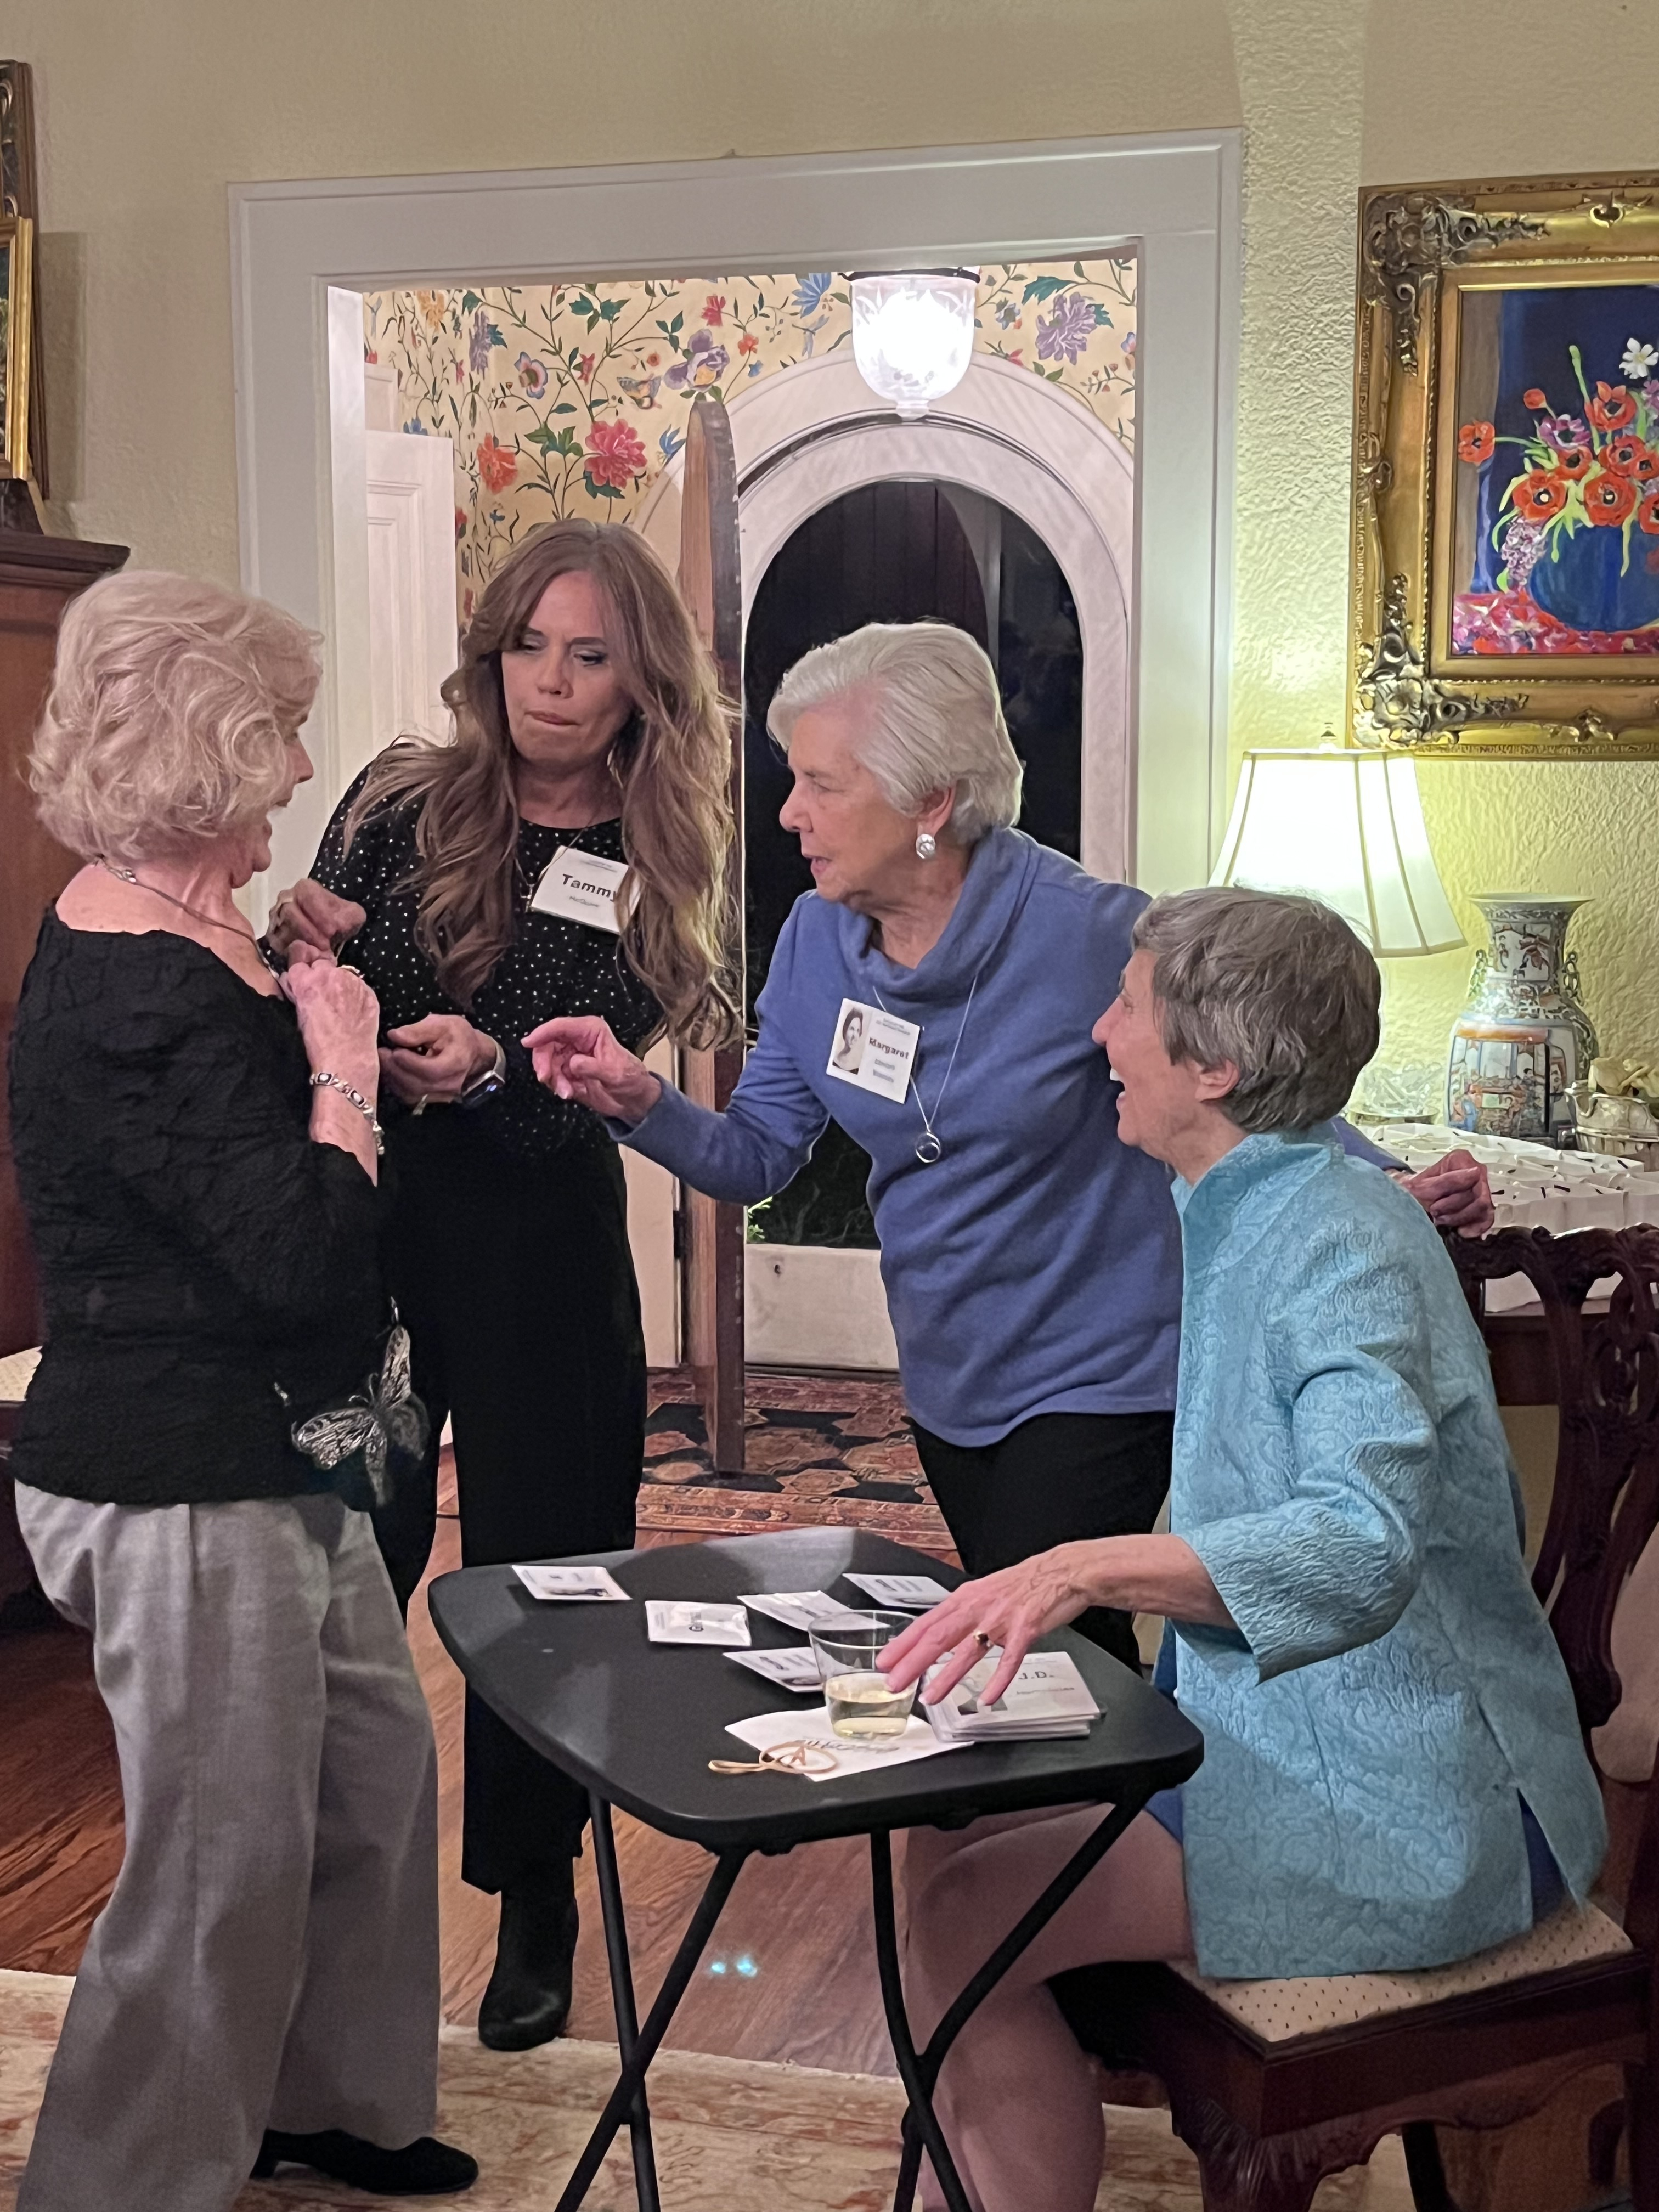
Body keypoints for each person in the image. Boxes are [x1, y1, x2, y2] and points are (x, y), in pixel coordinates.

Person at [525, 622, 1493, 1674]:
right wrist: (638, 1098)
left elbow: (1249, 1080)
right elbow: (757, 1155)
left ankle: (1095, 1829)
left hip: (1105, 1364)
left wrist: (1391, 1185)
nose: (789, 813)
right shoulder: (815, 940)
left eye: (822, 785)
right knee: (1054, 1654)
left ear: (931, 803)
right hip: (948, 1364)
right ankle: (1132, 1823)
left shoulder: (1093, 933)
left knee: (1036, 1648)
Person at [878, 886, 1606, 2212]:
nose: (1100, 1032)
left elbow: (1358, 1543)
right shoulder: (1259, 1193)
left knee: (961, 1924)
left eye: (1129, 1007)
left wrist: (1081, 1568)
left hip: (1418, 1805)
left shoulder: (1339, 1242)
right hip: (1302, 1744)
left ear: (1213, 1066)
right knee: (947, 1830)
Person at [8, 572, 475, 2210]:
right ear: (203, 752)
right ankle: (121, 2185)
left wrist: (298, 993)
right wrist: (336, 1067)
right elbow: (299, 1258)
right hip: (174, 1473)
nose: (296, 772)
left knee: (369, 1779)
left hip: (270, 1454)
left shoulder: (186, 928)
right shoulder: (136, 982)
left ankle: (326, 2102)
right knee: (218, 1857)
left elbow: (243, 1163)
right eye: (275, 733)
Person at [266, 518, 736, 2052]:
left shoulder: (659, 850)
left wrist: (486, 1081)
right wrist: (298, 950)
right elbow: (315, 981)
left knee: (549, 1583)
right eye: (529, 645)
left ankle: (536, 1895)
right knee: (352, 1562)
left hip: (541, 1238)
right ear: (492, 654)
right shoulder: (399, 795)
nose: (551, 681)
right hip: (382, 1236)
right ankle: (310, 1898)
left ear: (638, 678)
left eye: (589, 653)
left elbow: (616, 1071)